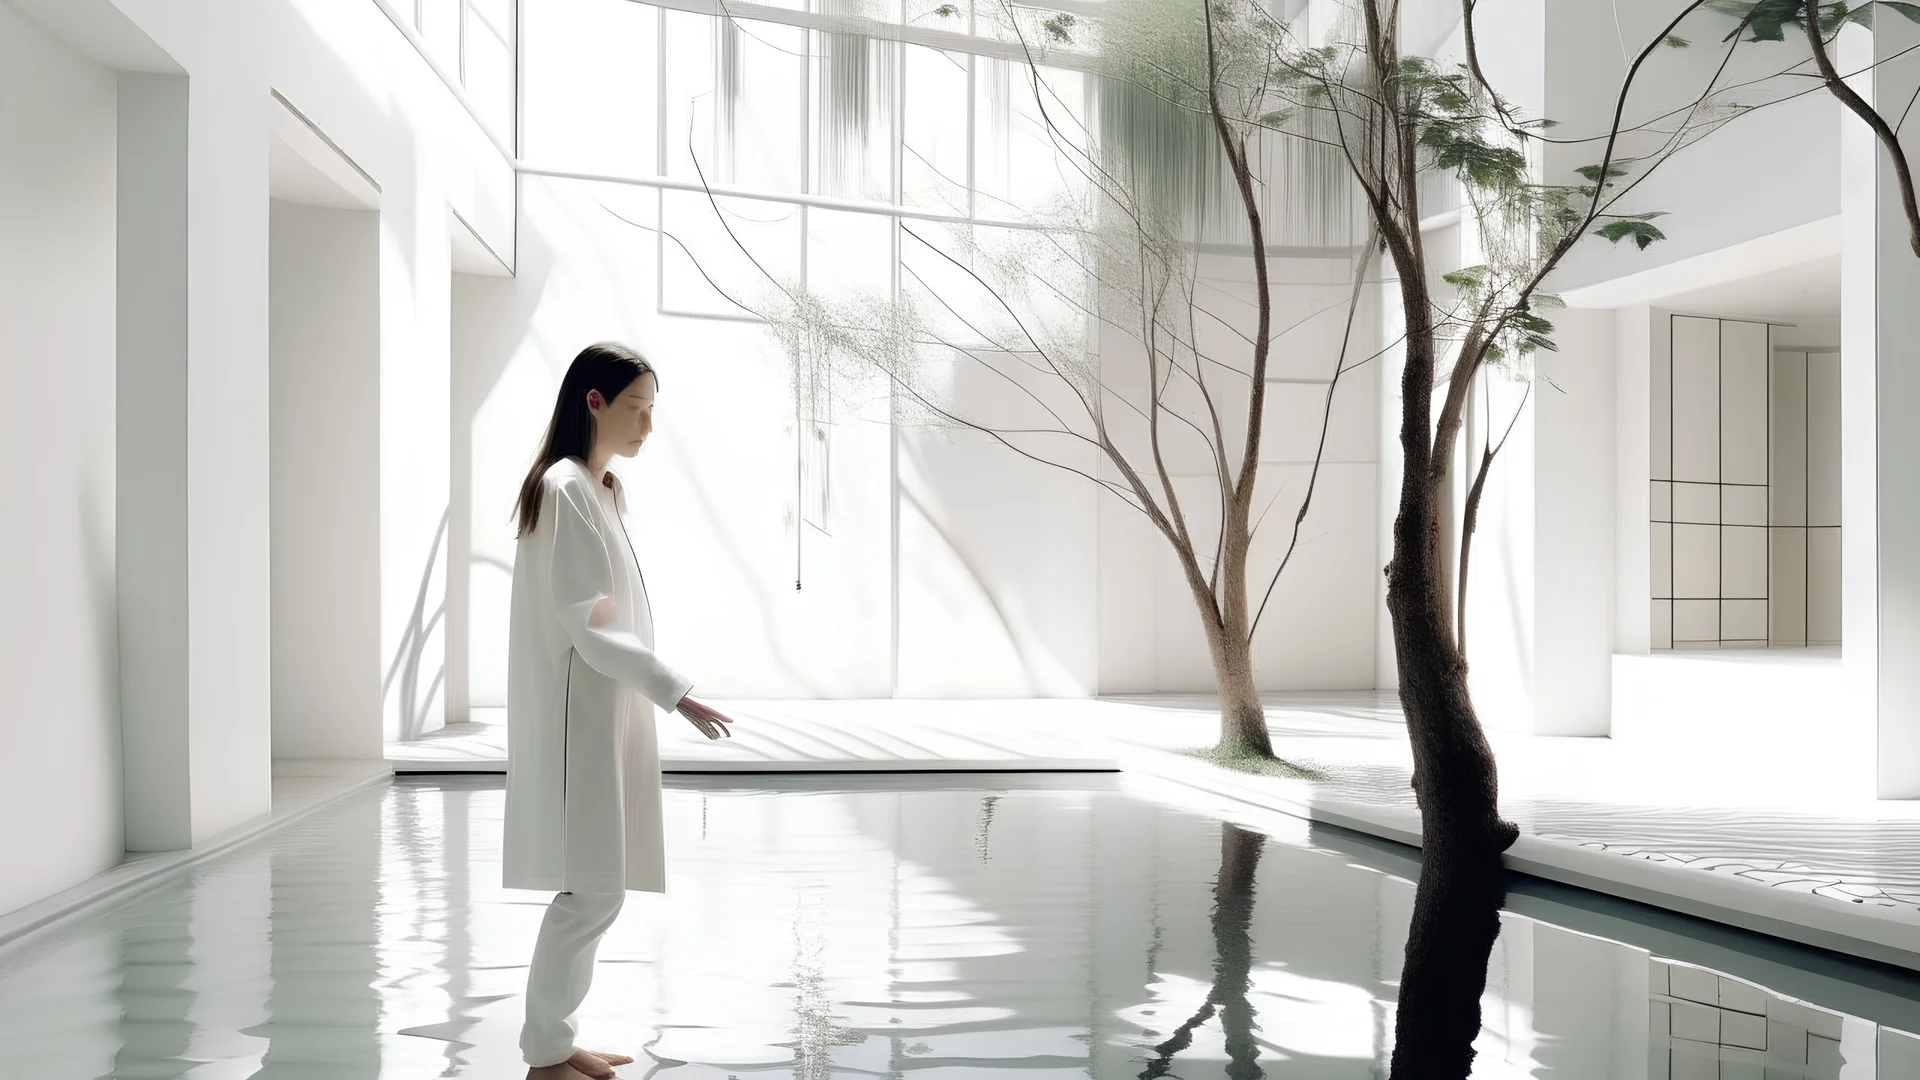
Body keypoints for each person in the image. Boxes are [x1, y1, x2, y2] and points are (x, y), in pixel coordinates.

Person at [503, 342, 738, 1079]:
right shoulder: (568, 487)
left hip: (605, 711)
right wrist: (675, 689)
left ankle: (552, 1041)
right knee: (592, 888)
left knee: (596, 889)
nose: (646, 426)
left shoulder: (597, 488)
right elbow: (591, 622)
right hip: (584, 716)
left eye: (651, 410)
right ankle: (544, 1054)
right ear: (594, 402)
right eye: (636, 408)